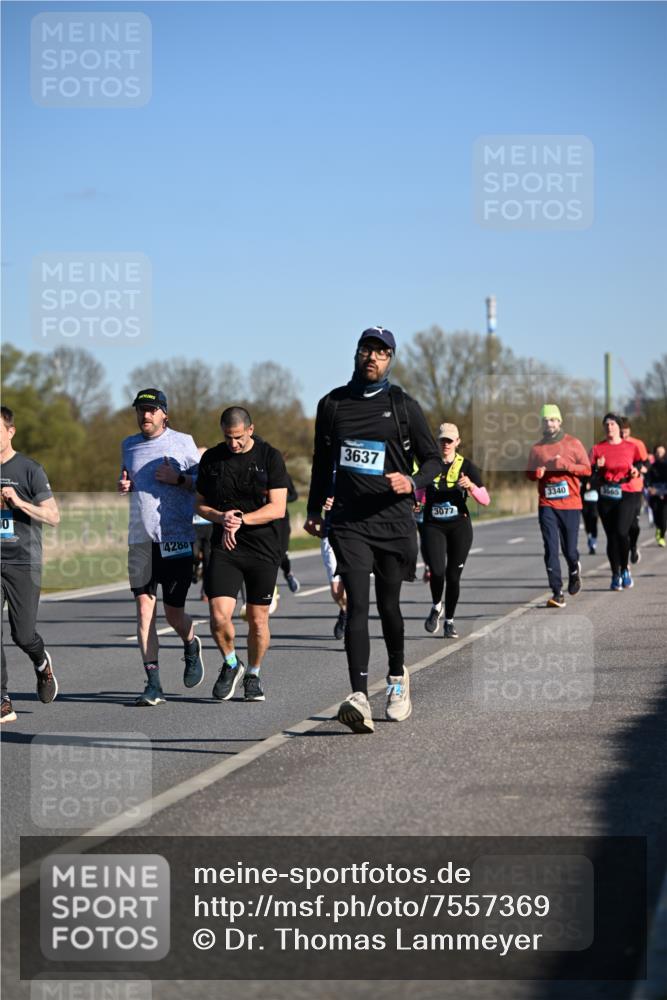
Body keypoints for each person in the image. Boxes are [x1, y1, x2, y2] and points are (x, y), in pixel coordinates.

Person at [305, 326, 441, 734]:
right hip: (349, 521)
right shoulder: (332, 405)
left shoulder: (403, 406)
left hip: (394, 520)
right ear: (357, 353)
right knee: (356, 606)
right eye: (368, 349)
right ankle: (359, 695)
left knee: (389, 608)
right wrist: (314, 510)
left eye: (382, 353)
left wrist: (412, 482)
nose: (373, 357)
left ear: (390, 360)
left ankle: (398, 679)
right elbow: (320, 462)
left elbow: (433, 460)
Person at [196, 406, 288, 703]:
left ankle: (254, 675)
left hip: (262, 547)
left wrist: (242, 519)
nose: (233, 443)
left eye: (237, 437)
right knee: (218, 616)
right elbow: (199, 504)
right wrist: (221, 518)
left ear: (250, 429)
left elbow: (278, 507)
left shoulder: (269, 457)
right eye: (227, 437)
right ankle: (232, 663)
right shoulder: (212, 458)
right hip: (225, 547)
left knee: (257, 620)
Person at [119, 388, 204, 706]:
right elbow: (128, 479)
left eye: (152, 409)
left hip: (176, 536)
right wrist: (125, 485)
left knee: (173, 613)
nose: (145, 415)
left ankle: (191, 640)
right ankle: (153, 684)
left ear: (164, 413)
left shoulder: (183, 442)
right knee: (144, 609)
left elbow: (202, 484)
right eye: (141, 409)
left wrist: (178, 478)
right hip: (140, 539)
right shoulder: (128, 445)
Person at [0, 406, 60, 724]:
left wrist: (20, 503)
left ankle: (41, 663)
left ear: (10, 431)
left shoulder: (29, 469)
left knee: (23, 635)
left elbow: (53, 517)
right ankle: (2, 700)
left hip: (23, 560)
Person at [421, 423, 490, 638]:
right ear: (437, 441)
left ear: (457, 442)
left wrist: (470, 486)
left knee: (453, 576)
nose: (446, 444)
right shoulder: (429, 465)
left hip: (459, 526)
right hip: (433, 525)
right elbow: (418, 493)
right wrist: (416, 501)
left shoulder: (467, 466)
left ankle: (449, 621)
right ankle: (436, 606)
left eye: (450, 441)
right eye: (442, 440)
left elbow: (485, 500)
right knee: (437, 571)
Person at [526, 404, 591, 608]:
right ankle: (557, 592)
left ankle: (574, 569)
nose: (550, 423)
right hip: (547, 503)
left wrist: (567, 466)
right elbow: (528, 473)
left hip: (571, 503)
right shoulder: (537, 448)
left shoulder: (573, 443)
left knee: (569, 550)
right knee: (550, 549)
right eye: (546, 420)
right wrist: (536, 473)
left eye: (553, 420)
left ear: (560, 422)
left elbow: (587, 469)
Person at [589, 413, 644, 590]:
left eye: (613, 424)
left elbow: (640, 464)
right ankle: (615, 574)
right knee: (611, 537)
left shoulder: (631, 447)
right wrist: (598, 466)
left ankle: (625, 568)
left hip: (626, 492)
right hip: (606, 494)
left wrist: (636, 471)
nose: (609, 427)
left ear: (619, 427)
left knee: (622, 532)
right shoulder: (597, 449)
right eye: (606, 424)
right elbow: (589, 474)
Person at [620, 417, 649, 564]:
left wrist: (638, 469)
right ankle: (621, 554)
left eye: (625, 432)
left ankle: (633, 546)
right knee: (620, 526)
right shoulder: (612, 445)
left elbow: (646, 462)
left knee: (634, 525)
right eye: (621, 432)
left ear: (629, 431)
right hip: (617, 490)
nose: (623, 435)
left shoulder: (637, 444)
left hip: (635, 489)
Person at [321, 496, 347, 639]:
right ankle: (344, 612)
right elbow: (317, 493)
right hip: (330, 533)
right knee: (337, 591)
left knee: (353, 585)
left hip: (356, 533)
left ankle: (351, 626)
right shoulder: (327, 474)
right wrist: (323, 501)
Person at [192, 447, 213, 601]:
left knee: (208, 558)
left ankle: (205, 590)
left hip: (210, 524)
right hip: (193, 523)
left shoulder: (213, 474)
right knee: (192, 554)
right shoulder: (190, 475)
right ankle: (194, 568)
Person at [278, 468, 301, 594]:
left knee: (282, 553)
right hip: (262, 519)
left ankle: (288, 574)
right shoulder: (258, 475)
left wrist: (280, 499)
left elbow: (294, 495)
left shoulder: (284, 476)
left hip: (282, 519)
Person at [646, 444, 667, 547]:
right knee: (656, 517)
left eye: (661, 452)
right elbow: (647, 481)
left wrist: (663, 492)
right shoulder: (651, 467)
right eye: (657, 452)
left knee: (663, 517)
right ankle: (658, 528)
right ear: (654, 454)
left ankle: (661, 537)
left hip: (665, 496)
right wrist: (649, 488)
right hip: (654, 496)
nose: (659, 454)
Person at [581, 477, 599, 555]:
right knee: (587, 523)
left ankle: (593, 544)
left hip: (594, 501)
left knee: (594, 521)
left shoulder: (596, 471)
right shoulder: (582, 473)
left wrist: (591, 485)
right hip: (584, 502)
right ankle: (590, 538)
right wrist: (585, 485)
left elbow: (599, 483)